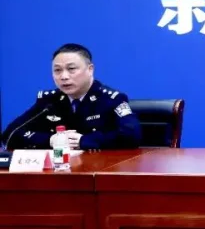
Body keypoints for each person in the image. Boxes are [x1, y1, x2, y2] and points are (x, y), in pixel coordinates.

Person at [0, 43, 142, 150]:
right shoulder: (49, 102)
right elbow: (11, 133)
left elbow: (132, 135)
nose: (64, 76)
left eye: (71, 69)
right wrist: (50, 140)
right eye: (57, 70)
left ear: (90, 69)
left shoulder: (110, 99)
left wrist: (83, 141)